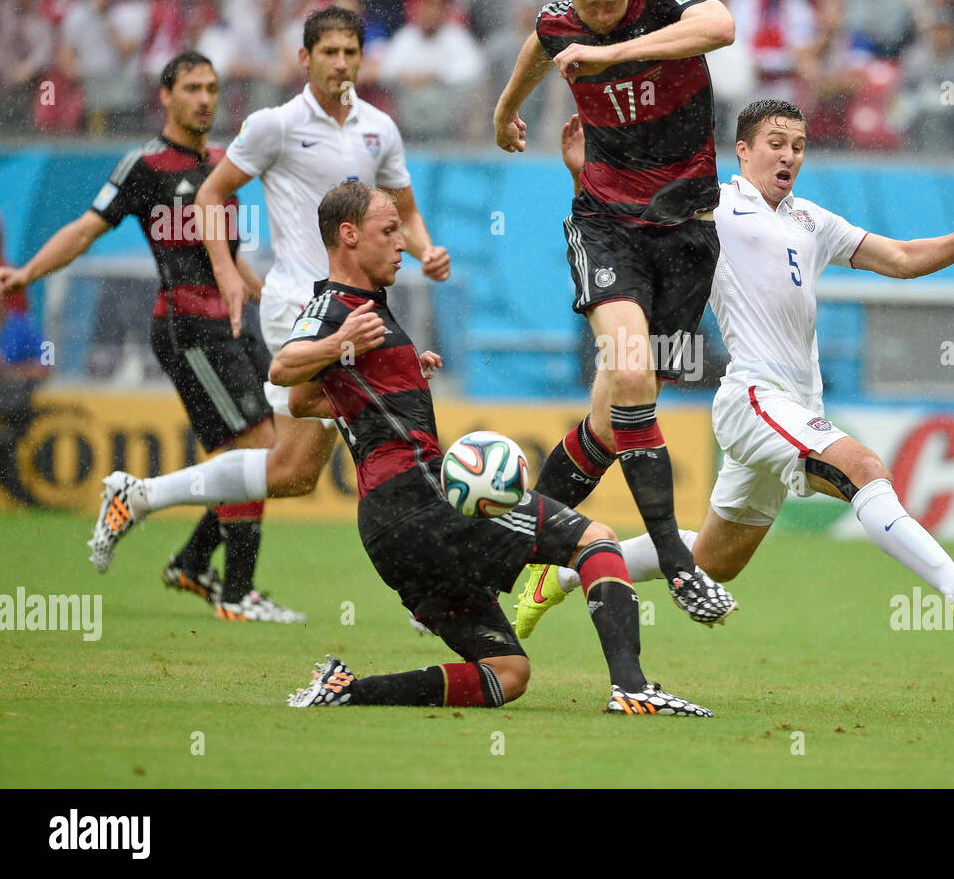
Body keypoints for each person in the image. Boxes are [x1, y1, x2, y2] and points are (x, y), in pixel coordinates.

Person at [515, 101, 954, 636]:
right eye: (776, 144)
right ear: (743, 150)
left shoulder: (812, 219)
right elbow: (622, 223)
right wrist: (582, 172)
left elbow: (900, 259)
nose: (789, 156)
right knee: (864, 469)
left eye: (799, 146)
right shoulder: (711, 205)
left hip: (796, 403)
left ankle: (565, 573)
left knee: (717, 561)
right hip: (756, 397)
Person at [271, 181, 710, 716]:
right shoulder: (338, 309)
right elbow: (283, 369)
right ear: (348, 236)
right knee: (595, 540)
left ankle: (347, 691)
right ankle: (633, 689)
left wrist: (396, 372)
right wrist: (341, 345)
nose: (401, 244)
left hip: (386, 531)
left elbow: (302, 401)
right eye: (388, 231)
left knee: (507, 673)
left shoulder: (364, 313)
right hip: (419, 497)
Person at [85, 8, 451, 591]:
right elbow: (211, 193)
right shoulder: (274, 125)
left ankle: (142, 495)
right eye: (328, 52)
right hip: (300, 310)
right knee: (384, 433)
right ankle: (428, 586)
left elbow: (404, 210)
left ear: (362, 58)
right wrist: (229, 271)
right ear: (304, 59)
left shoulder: (380, 126)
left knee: (293, 469)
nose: (340, 63)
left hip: (355, 307)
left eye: (350, 52)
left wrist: (428, 251)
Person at [0, 52, 304, 622]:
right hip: (189, 327)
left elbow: (231, 261)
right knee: (255, 451)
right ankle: (236, 592)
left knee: (273, 455)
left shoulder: (224, 163)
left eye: (212, 87)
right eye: (191, 87)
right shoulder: (145, 165)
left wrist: (277, 301)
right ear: (165, 96)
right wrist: (27, 274)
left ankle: (192, 562)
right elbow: (87, 228)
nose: (205, 98)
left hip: (236, 323)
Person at [492, 0, 738, 625]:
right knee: (631, 374)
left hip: (688, 227)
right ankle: (678, 563)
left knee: (609, 419)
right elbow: (539, 48)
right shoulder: (557, 23)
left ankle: (505, 562)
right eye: (590, 8)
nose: (601, 14)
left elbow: (720, 26)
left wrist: (612, 53)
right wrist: (507, 109)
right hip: (605, 221)